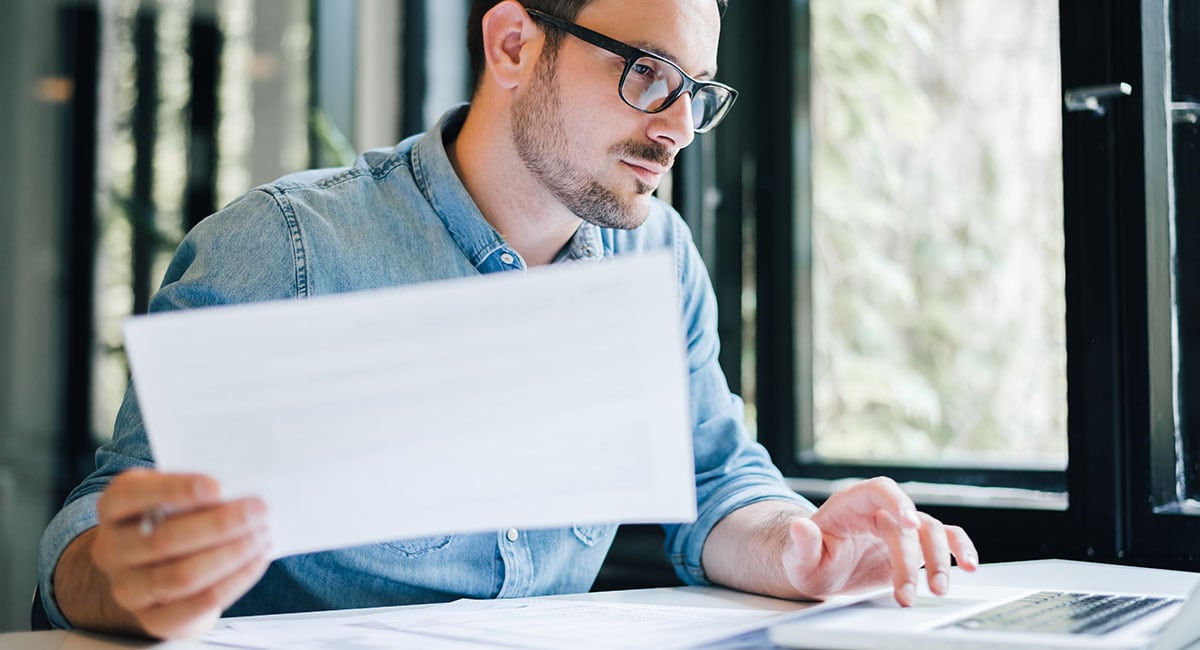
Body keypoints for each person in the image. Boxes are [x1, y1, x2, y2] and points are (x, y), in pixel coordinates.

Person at [39, 0, 977, 640]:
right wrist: (119, 576)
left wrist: (802, 547)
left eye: (698, 91)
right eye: (650, 76)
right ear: (515, 46)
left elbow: (717, 479)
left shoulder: (658, 258)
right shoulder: (286, 247)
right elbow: (99, 530)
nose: (679, 128)